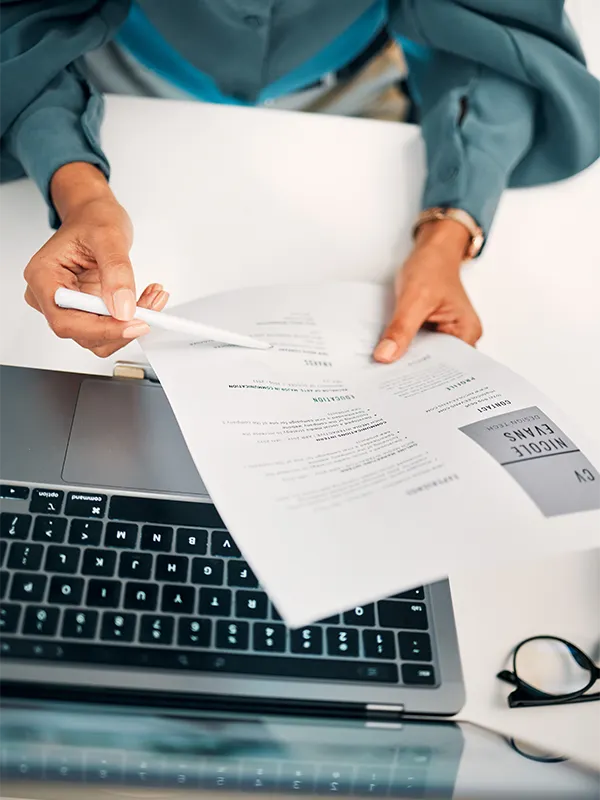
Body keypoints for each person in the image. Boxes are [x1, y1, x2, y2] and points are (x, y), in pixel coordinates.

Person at [1, 1, 600, 362]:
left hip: (351, 92)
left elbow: (496, 32)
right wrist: (79, 189)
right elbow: (22, 24)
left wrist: (452, 226)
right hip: (104, 76)